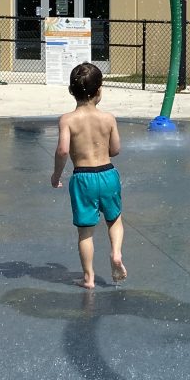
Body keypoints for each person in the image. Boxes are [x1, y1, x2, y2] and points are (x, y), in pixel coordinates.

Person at [50, 61, 127, 288]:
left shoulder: (67, 120)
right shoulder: (108, 118)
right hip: (108, 174)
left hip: (82, 177)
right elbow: (115, 150)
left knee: (85, 232)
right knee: (114, 219)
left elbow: (63, 150)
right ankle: (115, 253)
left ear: (71, 91)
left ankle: (89, 278)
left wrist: (56, 175)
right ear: (99, 90)